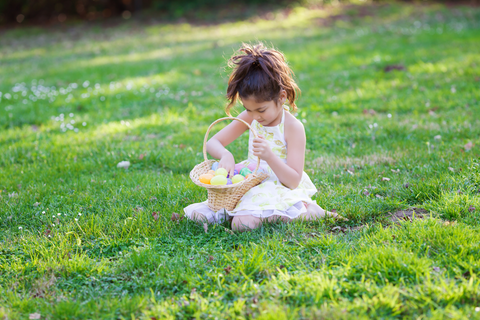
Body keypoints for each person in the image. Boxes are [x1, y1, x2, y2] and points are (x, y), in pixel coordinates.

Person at [184, 43, 346, 232]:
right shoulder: (250, 117)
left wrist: (269, 156)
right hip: (251, 180)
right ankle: (270, 212)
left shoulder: (292, 128)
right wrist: (226, 155)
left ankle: (306, 212)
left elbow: (293, 180)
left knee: (241, 225)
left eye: (261, 110)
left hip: (278, 185)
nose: (255, 117)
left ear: (282, 97)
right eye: (248, 109)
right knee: (198, 215)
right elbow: (213, 142)